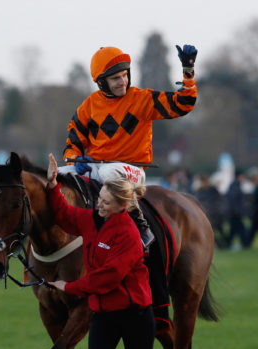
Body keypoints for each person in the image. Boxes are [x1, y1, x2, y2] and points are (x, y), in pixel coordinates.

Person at [45, 153, 161, 349]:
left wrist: (68, 286)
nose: (99, 205)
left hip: (135, 315)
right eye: (99, 200)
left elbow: (107, 278)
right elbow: (64, 215)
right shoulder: (91, 220)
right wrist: (52, 186)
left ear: (122, 206)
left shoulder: (130, 235)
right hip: (104, 314)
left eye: (106, 203)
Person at [60, 43, 198, 247]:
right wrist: (75, 158)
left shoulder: (143, 99)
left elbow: (184, 103)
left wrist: (188, 71)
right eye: (116, 78)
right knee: (58, 174)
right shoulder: (87, 107)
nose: (123, 81)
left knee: (110, 172)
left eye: (125, 75)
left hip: (131, 171)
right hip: (97, 168)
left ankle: (142, 226)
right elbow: (73, 143)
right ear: (101, 82)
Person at [194, 174, 226, 249]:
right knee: (214, 231)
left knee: (217, 231)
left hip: (212, 213)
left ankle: (224, 245)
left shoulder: (204, 191)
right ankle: (223, 245)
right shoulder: (204, 190)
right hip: (210, 214)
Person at [225, 172, 248, 251]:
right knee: (240, 229)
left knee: (234, 230)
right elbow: (233, 200)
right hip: (235, 213)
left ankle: (227, 243)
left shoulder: (235, 185)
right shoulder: (235, 186)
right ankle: (245, 244)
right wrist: (237, 211)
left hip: (234, 213)